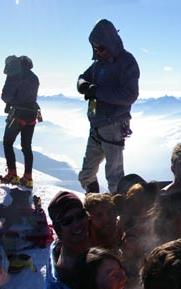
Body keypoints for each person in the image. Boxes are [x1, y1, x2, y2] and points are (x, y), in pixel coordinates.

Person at [76, 19, 140, 194]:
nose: (98, 52)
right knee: (86, 175)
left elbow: (130, 95)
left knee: (114, 177)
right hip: (97, 125)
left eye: (101, 48)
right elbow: (83, 76)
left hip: (114, 125)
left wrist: (97, 91)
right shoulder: (98, 64)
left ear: (111, 43)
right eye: (95, 48)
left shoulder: (126, 61)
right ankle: (95, 206)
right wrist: (82, 84)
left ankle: (116, 216)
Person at [0, 55, 42, 188]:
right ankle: (28, 178)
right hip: (32, 114)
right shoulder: (34, 77)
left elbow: (6, 95)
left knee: (7, 142)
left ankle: (12, 174)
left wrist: (10, 102)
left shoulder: (14, 74)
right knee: (26, 146)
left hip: (18, 114)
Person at [48, 191, 92, 283]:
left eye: (80, 215)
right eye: (67, 221)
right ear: (58, 229)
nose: (76, 223)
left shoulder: (87, 245)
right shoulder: (71, 268)